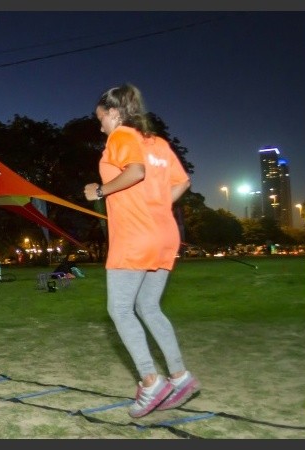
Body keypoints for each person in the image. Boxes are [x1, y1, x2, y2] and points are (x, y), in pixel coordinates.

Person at [83, 83, 199, 418]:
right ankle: (180, 377)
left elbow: (135, 171)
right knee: (148, 307)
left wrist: (101, 191)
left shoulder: (121, 136)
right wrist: (155, 204)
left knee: (120, 310)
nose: (100, 125)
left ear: (115, 113)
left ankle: (151, 381)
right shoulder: (158, 143)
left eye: (101, 117)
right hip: (164, 233)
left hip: (135, 236)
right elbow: (182, 183)